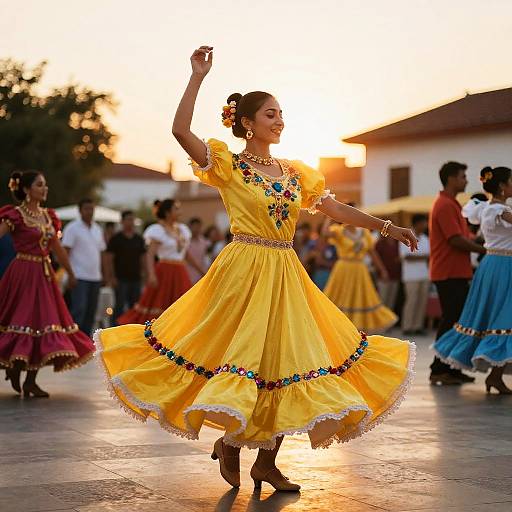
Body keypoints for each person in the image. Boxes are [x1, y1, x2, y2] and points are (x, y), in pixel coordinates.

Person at [95, 46, 417, 492]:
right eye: (270, 114)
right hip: (243, 270)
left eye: (281, 113)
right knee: (242, 359)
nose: (279, 120)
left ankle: (266, 461)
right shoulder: (229, 165)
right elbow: (179, 129)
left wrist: (386, 226)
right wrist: (196, 76)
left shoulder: (294, 172)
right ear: (247, 123)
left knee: (289, 362)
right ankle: (231, 439)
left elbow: (335, 209)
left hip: (286, 271)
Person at [0, 171, 94, 397]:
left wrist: (70, 273)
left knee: (46, 323)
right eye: (40, 185)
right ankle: (15, 367)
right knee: (21, 320)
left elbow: (57, 249)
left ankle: (30, 380)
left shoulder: (49, 216)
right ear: (26, 189)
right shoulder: (14, 215)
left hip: (45, 276)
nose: (45, 189)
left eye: (45, 185)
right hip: (22, 273)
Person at [433, 167, 512, 394]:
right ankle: (492, 376)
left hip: (497, 265)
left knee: (500, 319)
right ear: (502, 186)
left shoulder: (488, 208)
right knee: (501, 319)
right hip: (500, 267)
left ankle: (495, 377)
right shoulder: (496, 209)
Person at [428, 162, 486, 385]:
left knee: (457, 321)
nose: (466, 180)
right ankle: (438, 368)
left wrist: (482, 240)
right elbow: (455, 240)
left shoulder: (451, 204)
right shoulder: (444, 205)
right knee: (452, 320)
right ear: (451, 178)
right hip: (448, 272)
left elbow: (464, 237)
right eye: (463, 176)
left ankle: (450, 366)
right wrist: (486, 250)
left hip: (455, 271)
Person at [117, 199, 196, 324]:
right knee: (160, 304)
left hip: (180, 271)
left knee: (182, 304)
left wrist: (202, 270)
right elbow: (150, 254)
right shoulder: (158, 230)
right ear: (167, 212)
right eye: (176, 209)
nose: (179, 212)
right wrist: (151, 274)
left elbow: (185, 254)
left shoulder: (182, 229)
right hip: (164, 271)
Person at [324, 223, 398, 331]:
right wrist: (329, 217)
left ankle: (357, 330)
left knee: (361, 297)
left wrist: (382, 269)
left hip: (360, 270)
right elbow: (325, 234)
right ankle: (340, 328)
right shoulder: (338, 231)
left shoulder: (364, 232)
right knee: (341, 297)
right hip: (343, 269)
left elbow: (372, 253)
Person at [62, 198, 106, 336]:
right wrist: (69, 275)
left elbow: (101, 252)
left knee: (91, 313)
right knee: (78, 310)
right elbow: (65, 253)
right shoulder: (72, 228)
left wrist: (104, 274)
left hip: (95, 277)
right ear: (80, 210)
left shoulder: (97, 229)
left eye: (92, 209)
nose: (90, 212)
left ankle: (85, 343)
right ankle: (73, 341)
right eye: (87, 209)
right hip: (79, 276)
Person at [105, 210, 146, 325]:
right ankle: (114, 329)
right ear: (122, 222)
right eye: (128, 219)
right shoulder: (116, 239)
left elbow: (143, 258)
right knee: (119, 306)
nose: (131, 222)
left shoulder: (139, 239)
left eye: (132, 220)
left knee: (135, 306)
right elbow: (109, 259)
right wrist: (111, 277)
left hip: (136, 278)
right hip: (120, 279)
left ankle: (133, 330)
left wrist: (145, 274)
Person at [400, 214, 430, 335]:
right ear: (416, 224)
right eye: (423, 223)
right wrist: (422, 257)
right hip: (410, 276)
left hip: (424, 274)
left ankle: (418, 326)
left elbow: (428, 256)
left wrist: (419, 257)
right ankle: (407, 326)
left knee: (422, 301)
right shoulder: (406, 236)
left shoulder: (425, 238)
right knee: (411, 301)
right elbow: (406, 257)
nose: (425, 225)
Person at [374, 234, 401, 311]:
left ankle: (389, 322)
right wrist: (382, 271)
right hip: (383, 277)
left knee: (391, 302)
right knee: (382, 301)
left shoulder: (397, 243)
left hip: (395, 275)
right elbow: (375, 259)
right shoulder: (380, 243)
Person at [186, 217, 209, 284]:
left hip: (201, 275)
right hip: (189, 274)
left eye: (199, 227)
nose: (197, 229)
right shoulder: (185, 241)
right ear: (190, 227)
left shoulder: (204, 241)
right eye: (195, 227)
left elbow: (205, 257)